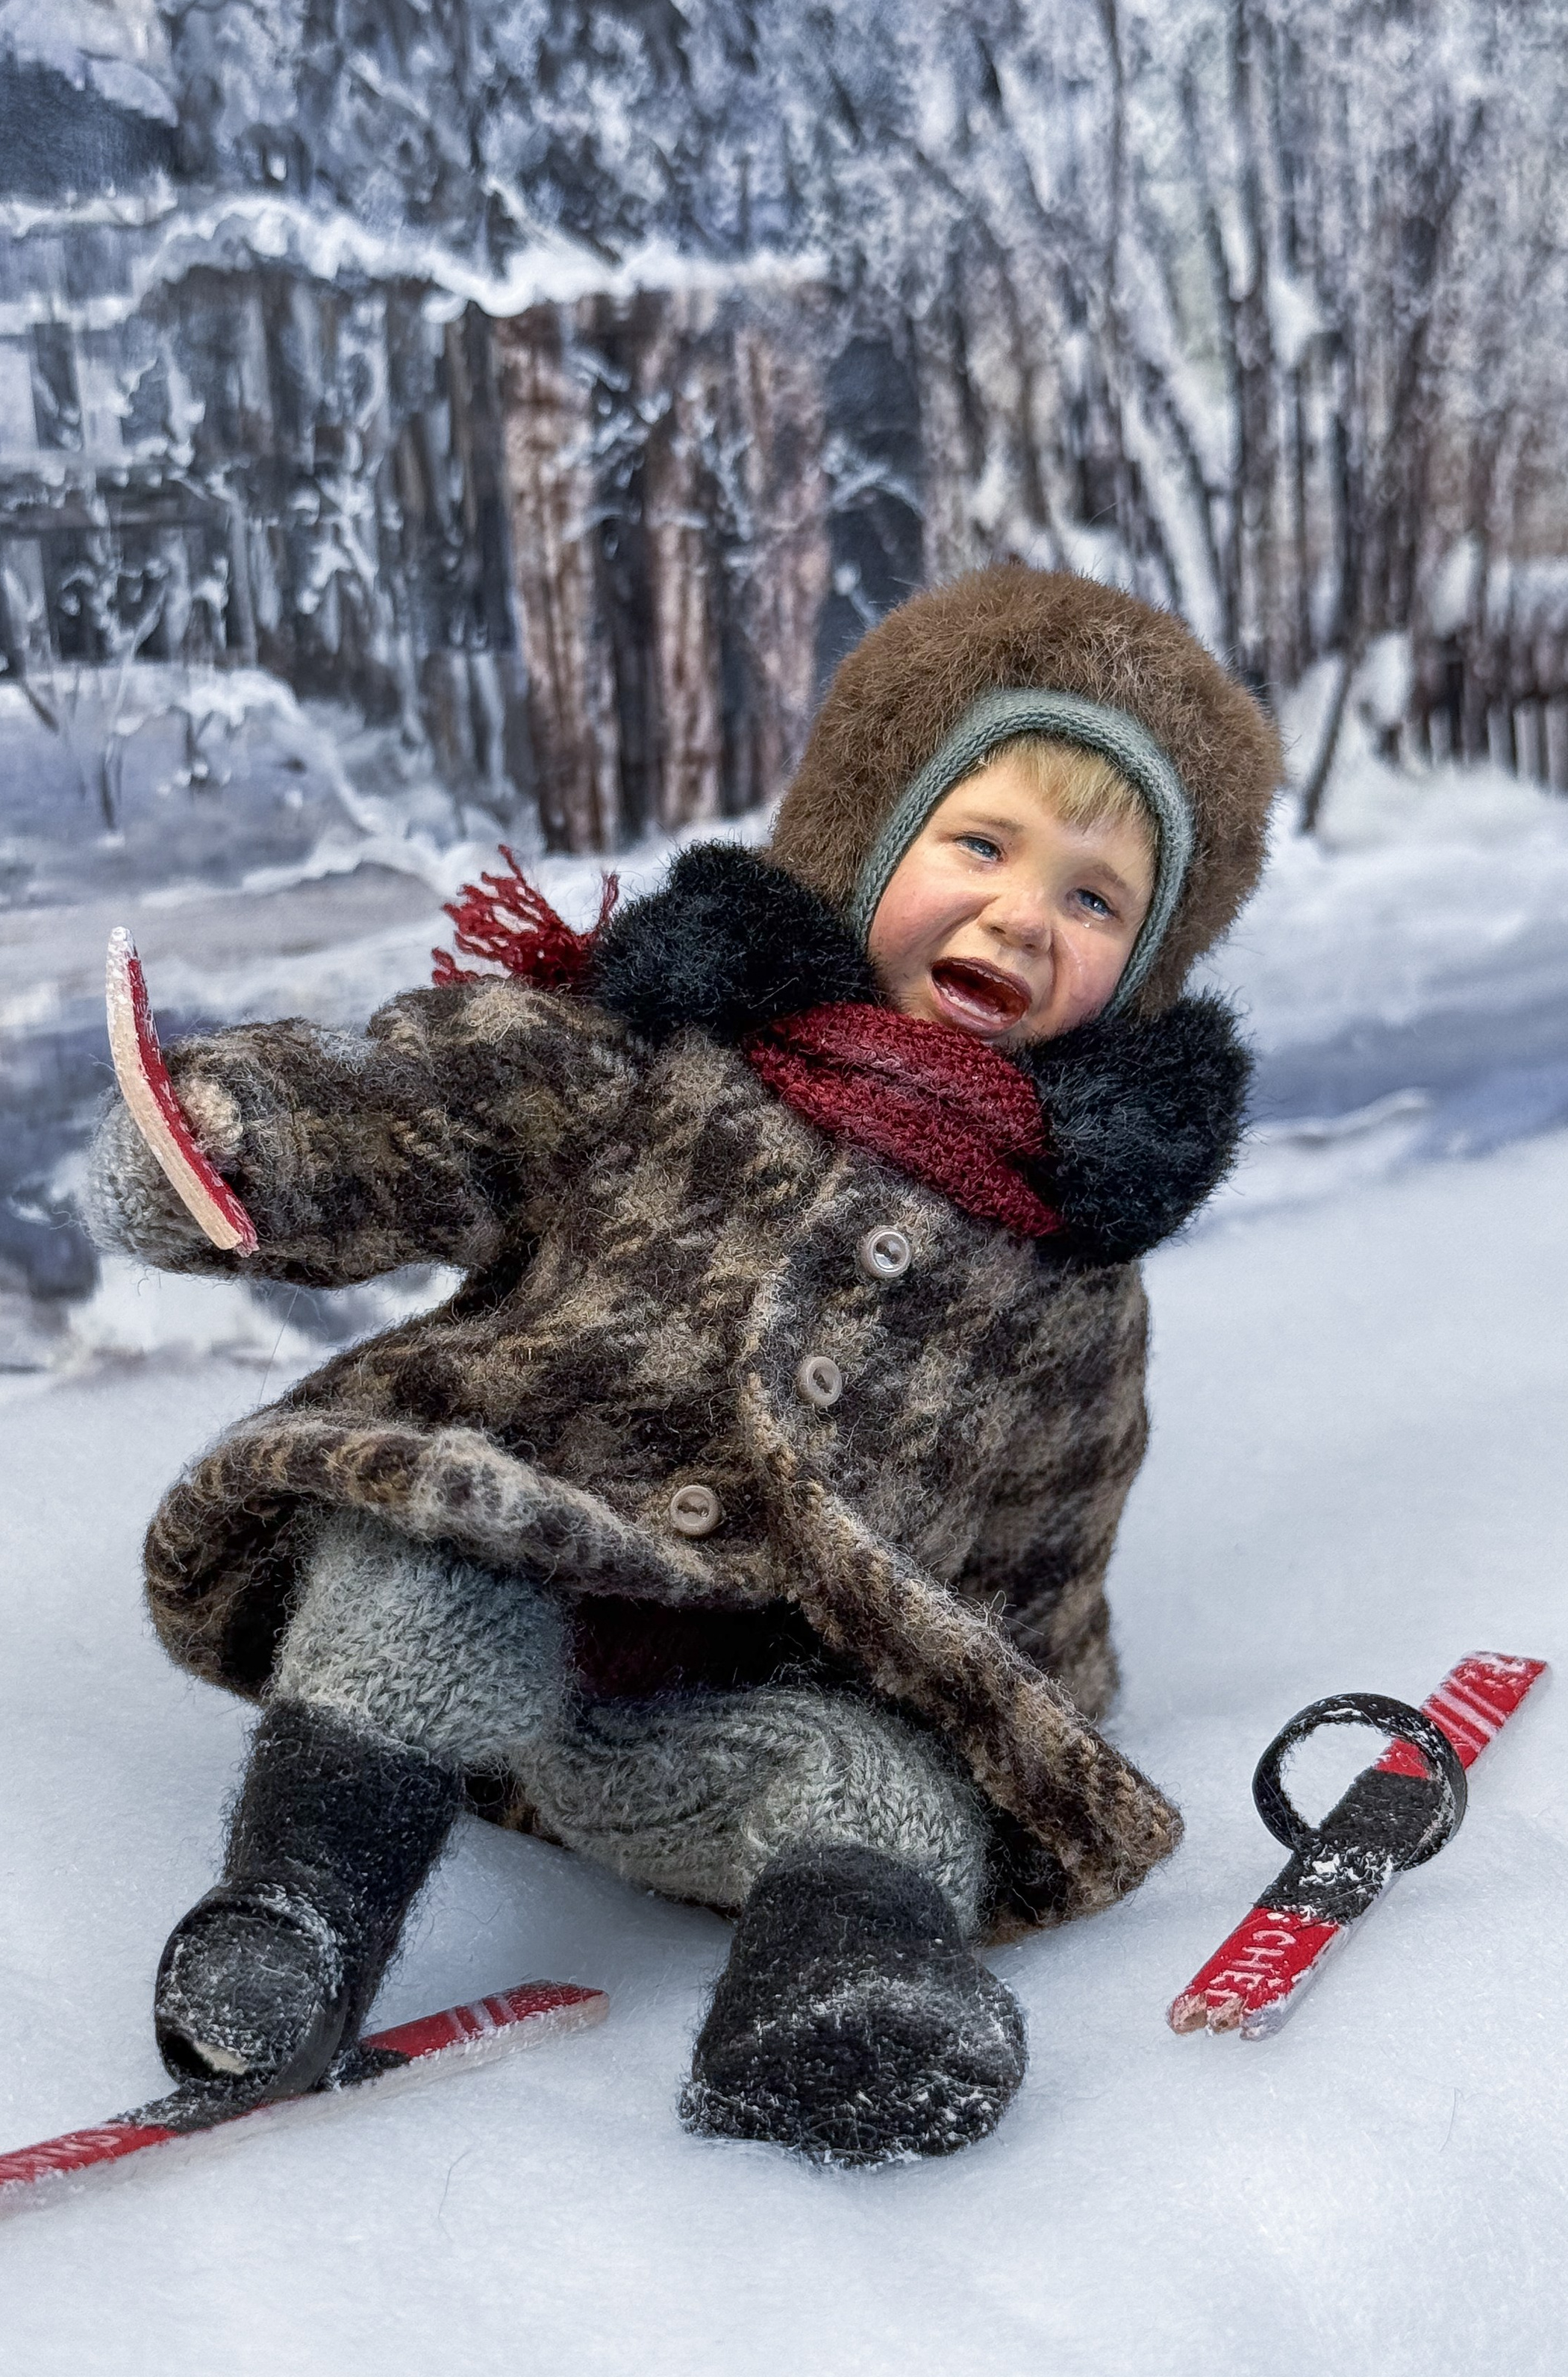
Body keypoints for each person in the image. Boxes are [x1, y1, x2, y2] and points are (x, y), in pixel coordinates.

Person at [87, 563, 1284, 2166]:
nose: (1018, 913)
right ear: (871, 839)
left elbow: (1047, 1528)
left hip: (725, 1740)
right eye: (978, 844)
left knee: (886, 1789)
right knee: (418, 1563)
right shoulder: (663, 1060)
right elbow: (441, 1102)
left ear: (1137, 970)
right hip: (507, 1612)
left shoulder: (1062, 1263)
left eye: (1092, 898)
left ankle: (835, 1994)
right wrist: (243, 1149)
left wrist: (1016, 1716)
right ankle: (298, 1915)